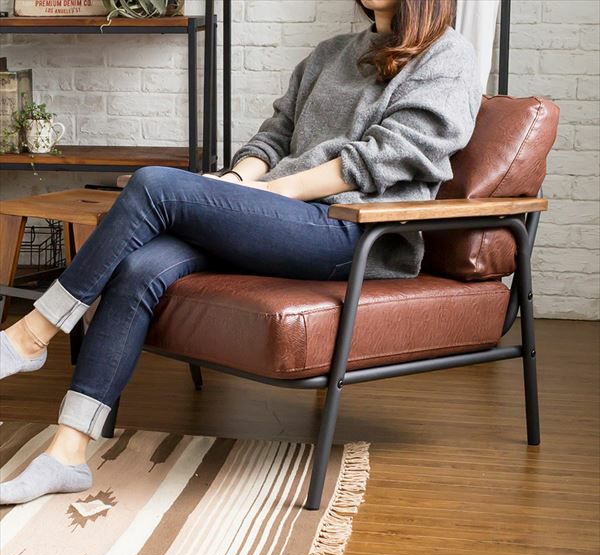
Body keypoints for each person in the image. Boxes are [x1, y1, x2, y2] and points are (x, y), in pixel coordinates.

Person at [0, 0, 481, 505]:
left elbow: (388, 155)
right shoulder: (331, 53)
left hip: (352, 232)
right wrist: (233, 183)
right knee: (140, 268)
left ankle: (31, 336)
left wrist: (271, 194)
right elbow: (273, 138)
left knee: (153, 185)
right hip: (280, 217)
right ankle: (67, 454)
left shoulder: (447, 56)